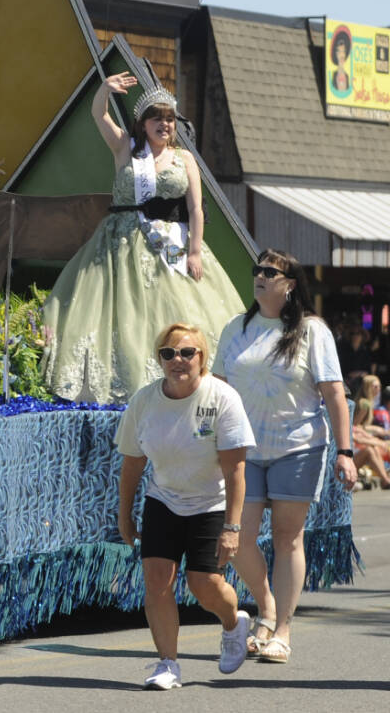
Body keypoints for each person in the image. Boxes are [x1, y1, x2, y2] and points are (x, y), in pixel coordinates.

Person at [42, 72, 244, 403]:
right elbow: (98, 115)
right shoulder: (125, 147)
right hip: (119, 244)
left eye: (169, 119)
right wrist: (104, 90)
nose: (164, 124)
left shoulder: (185, 159)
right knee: (121, 311)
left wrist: (194, 251)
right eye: (157, 118)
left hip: (171, 246)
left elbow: (195, 208)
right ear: (143, 123)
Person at [212, 248, 358, 664]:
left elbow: (334, 393)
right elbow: (218, 389)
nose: (259, 276)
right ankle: (267, 607)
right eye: (256, 270)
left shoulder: (313, 331)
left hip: (299, 446)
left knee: (287, 538)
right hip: (244, 451)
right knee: (237, 537)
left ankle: (283, 630)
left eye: (269, 272)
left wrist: (345, 452)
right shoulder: (234, 329)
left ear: (289, 284)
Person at [115, 323, 254, 690]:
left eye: (187, 353)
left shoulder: (222, 398)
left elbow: (236, 468)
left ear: (202, 358)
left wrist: (232, 527)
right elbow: (133, 463)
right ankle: (167, 664)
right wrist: (124, 514)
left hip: (211, 502)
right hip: (164, 498)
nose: (178, 360)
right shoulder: (145, 401)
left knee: (203, 583)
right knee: (157, 581)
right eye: (168, 353)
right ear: (159, 359)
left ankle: (233, 622)